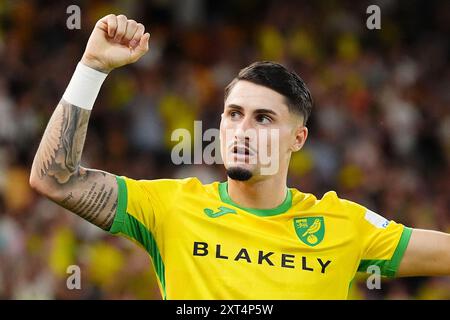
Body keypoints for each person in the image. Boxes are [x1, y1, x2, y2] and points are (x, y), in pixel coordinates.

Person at [29, 14, 450, 299]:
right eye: (234, 114)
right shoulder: (172, 208)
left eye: (264, 118)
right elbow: (55, 179)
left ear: (298, 139)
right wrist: (92, 68)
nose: (243, 130)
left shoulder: (344, 225)